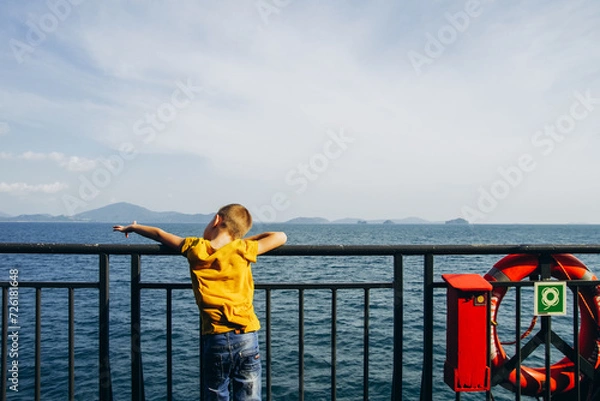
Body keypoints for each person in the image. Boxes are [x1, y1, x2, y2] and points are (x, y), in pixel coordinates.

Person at [113, 203, 287, 401]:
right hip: (246, 336)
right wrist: (239, 241)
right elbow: (281, 236)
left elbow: (160, 234)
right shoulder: (244, 249)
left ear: (217, 220)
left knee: (216, 394)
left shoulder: (195, 247)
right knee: (249, 397)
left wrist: (134, 227)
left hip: (216, 339)